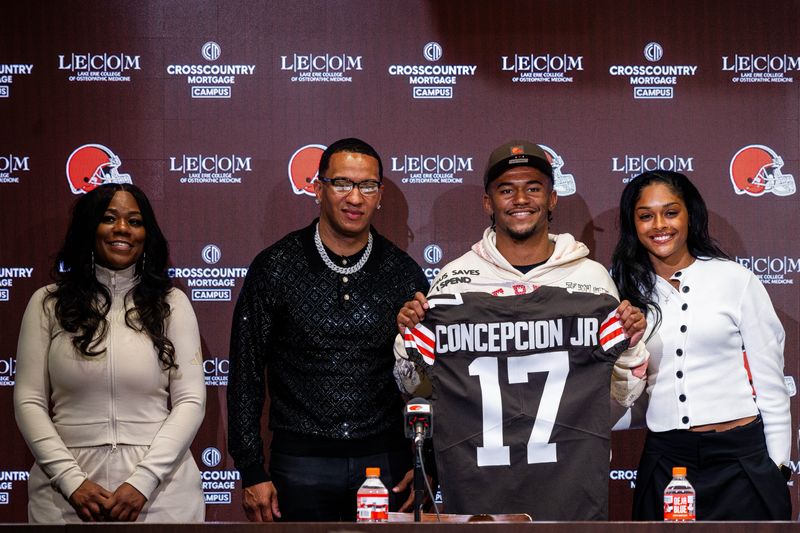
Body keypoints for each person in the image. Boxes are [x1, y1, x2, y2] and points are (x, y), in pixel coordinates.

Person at [393, 140, 649, 520]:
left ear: (552, 198)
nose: (520, 199)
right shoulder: (453, 282)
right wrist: (408, 343)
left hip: (568, 489)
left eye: (533, 187)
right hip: (480, 493)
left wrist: (627, 345)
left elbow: (617, 396)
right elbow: (417, 390)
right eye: (506, 189)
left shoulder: (591, 281)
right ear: (488, 203)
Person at [227, 137, 429, 522]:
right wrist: (251, 468)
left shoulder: (403, 273)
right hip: (300, 467)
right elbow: (245, 375)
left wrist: (425, 458)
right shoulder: (276, 267)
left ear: (379, 194)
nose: (355, 198)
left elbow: (423, 377)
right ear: (318, 189)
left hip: (385, 463)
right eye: (342, 183)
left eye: (367, 185)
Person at [13, 183, 206, 523]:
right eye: (109, 218)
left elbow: (191, 400)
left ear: (147, 234)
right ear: (90, 228)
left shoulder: (172, 304)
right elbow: (29, 401)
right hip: (65, 497)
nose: (122, 229)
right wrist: (71, 482)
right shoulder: (48, 304)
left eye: (135, 221)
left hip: (162, 494)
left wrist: (144, 480)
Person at [611, 170, 791, 520]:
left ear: (689, 215)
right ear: (633, 225)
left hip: (740, 460)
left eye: (671, 212)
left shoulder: (735, 280)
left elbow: (772, 385)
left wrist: (778, 468)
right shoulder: (625, 296)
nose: (659, 225)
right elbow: (624, 392)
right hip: (666, 461)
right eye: (646, 216)